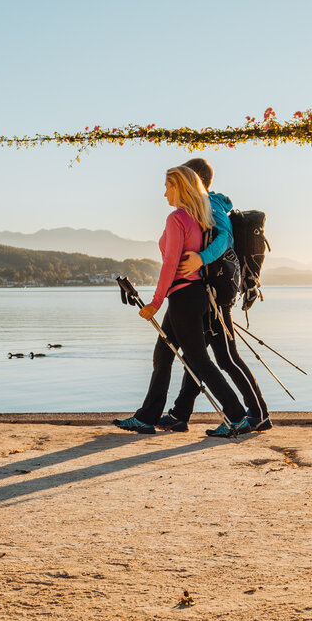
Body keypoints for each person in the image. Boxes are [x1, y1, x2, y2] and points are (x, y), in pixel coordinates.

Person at [112, 166, 251, 438]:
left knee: (198, 361)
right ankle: (147, 416)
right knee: (163, 355)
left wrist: (154, 302)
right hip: (194, 295)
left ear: (180, 187)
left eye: (168, 187)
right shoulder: (198, 219)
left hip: (183, 296)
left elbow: (170, 264)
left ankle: (236, 416)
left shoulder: (176, 218)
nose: (164, 193)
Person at [157, 157, 271, 432]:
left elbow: (225, 239)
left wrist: (200, 258)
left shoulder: (210, 203)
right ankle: (180, 413)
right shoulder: (198, 206)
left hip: (216, 295)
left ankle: (258, 415)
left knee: (226, 358)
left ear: (193, 179)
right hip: (207, 292)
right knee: (199, 357)